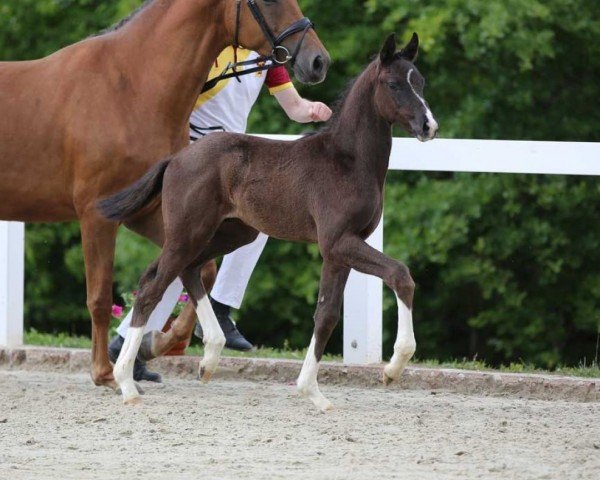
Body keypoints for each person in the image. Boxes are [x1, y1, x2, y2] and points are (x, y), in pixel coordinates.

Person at [108, 46, 332, 382]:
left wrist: (312, 110)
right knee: (184, 253)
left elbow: (294, 107)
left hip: (232, 158)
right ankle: (141, 337)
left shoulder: (270, 56)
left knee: (253, 226)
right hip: (196, 153)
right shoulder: (212, 47)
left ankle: (210, 311)